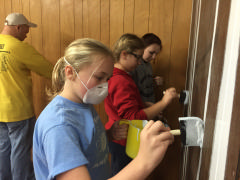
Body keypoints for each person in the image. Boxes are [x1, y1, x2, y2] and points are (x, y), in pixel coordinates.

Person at [32, 38, 174, 180]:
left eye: (107, 78)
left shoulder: (83, 104)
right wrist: (144, 161)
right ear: (70, 72)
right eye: (99, 77)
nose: (105, 85)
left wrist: (108, 135)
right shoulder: (59, 126)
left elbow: (83, 142)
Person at [104, 33, 178, 175]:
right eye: (137, 57)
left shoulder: (121, 75)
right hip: (122, 140)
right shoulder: (120, 80)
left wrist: (144, 104)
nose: (139, 62)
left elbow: (127, 105)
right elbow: (133, 117)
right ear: (124, 54)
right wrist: (163, 103)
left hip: (123, 139)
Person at [0, 13, 53, 179]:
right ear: (18, 27)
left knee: (3, 147)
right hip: (18, 111)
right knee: (20, 150)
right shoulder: (19, 47)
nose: (27, 34)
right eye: (26, 30)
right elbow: (48, 70)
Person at [131, 33, 163, 105]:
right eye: (151, 53)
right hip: (138, 109)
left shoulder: (149, 65)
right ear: (142, 48)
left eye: (156, 54)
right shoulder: (133, 65)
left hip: (149, 107)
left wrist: (154, 80)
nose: (154, 57)